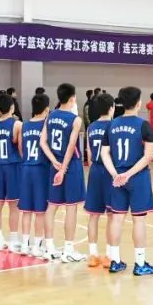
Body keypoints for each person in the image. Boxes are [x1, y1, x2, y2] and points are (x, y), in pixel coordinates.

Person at [101, 86, 153, 275]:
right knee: (138, 220)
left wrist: (116, 174)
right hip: (138, 178)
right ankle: (140, 264)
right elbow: (148, 156)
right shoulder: (143, 125)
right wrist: (129, 174)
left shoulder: (111, 125)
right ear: (139, 103)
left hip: (117, 179)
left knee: (116, 219)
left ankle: (115, 261)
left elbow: (104, 154)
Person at [43, 82, 86, 262]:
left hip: (54, 164)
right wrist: (63, 168)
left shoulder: (50, 116)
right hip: (71, 166)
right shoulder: (76, 120)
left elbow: (42, 142)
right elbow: (70, 146)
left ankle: (48, 248)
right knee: (71, 207)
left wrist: (54, 161)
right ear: (72, 98)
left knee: (51, 206)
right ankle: (68, 250)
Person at [83, 92, 115, 267]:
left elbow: (89, 154)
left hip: (94, 170)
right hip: (109, 171)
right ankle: (109, 255)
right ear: (111, 108)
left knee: (93, 215)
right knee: (111, 215)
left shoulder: (91, 128)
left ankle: (92, 254)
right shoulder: (113, 126)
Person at [17, 93, 52, 258]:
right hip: (41, 169)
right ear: (47, 109)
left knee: (26, 210)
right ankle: (37, 246)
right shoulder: (46, 125)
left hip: (26, 168)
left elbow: (21, 148)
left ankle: (25, 245)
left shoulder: (24, 125)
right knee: (40, 211)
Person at [0, 93, 22, 252]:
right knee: (14, 205)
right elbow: (21, 148)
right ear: (12, 107)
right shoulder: (17, 124)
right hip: (13, 166)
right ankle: (13, 240)